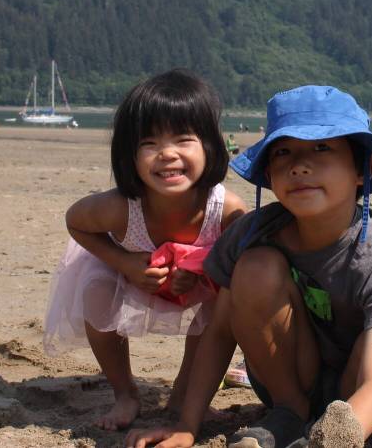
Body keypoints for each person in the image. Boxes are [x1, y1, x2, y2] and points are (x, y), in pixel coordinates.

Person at [127, 85, 372, 448]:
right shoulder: (252, 234)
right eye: (283, 152)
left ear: (364, 167)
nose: (299, 166)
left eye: (322, 148)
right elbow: (219, 332)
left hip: (360, 383)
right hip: (290, 377)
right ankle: (290, 412)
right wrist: (187, 425)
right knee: (256, 267)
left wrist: (331, 438)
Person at [43, 69, 246, 430]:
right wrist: (123, 262)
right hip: (129, 272)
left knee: (222, 307)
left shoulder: (227, 209)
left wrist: (201, 269)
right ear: (128, 156)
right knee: (96, 289)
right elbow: (75, 221)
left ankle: (187, 393)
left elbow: (240, 260)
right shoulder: (121, 206)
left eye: (184, 139)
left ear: (211, 146)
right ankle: (125, 392)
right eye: (149, 144)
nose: (167, 154)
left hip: (198, 280)